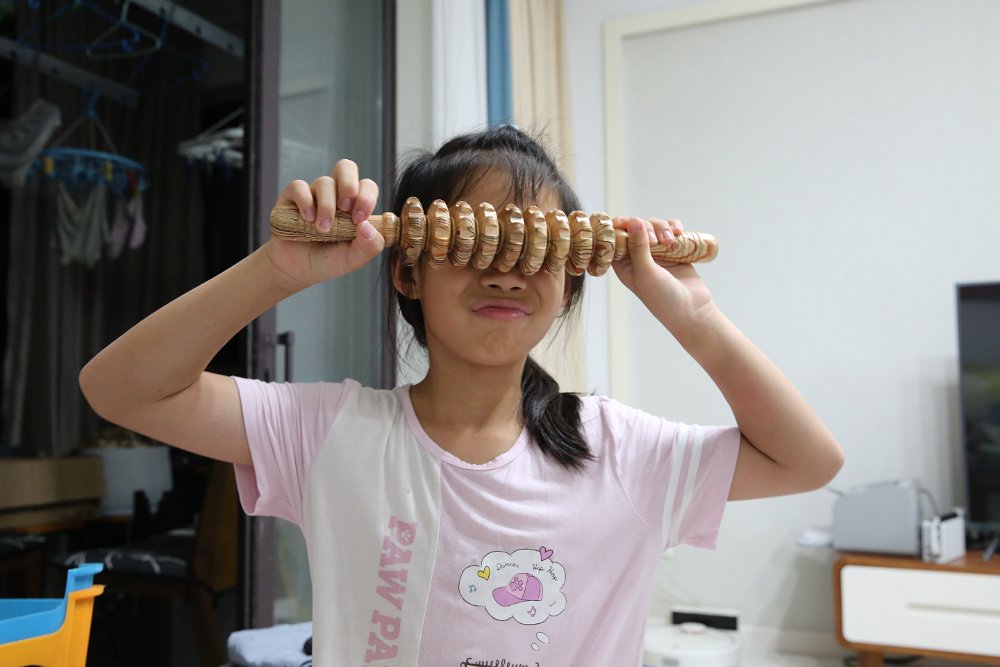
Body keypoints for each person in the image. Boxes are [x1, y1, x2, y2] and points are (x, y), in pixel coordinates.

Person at [79, 125, 844, 666]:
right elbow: (121, 390)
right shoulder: (332, 432)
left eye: (532, 246)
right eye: (478, 242)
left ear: (568, 275)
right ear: (408, 270)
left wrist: (698, 318)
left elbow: (807, 460)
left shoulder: (619, 451)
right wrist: (274, 271)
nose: (505, 269)